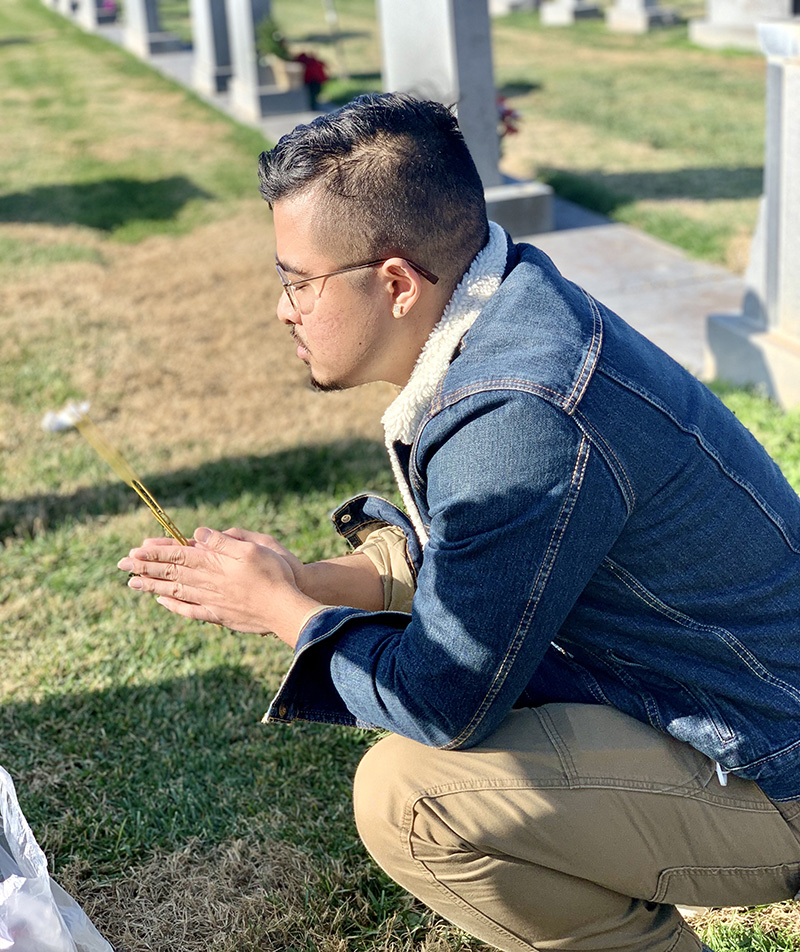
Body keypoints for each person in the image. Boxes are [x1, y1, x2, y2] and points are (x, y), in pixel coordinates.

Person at [116, 93, 800, 952]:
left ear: (397, 283)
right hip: (735, 702)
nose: (283, 309)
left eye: (298, 282)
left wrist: (286, 616)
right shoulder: (512, 306)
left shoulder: (520, 412)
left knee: (411, 798)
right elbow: (486, 568)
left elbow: (446, 703)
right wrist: (309, 582)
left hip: (772, 769)